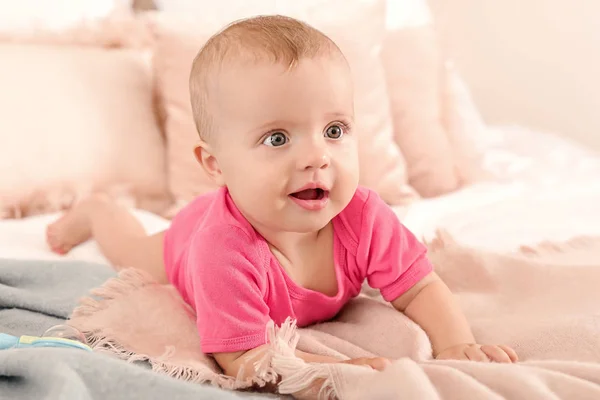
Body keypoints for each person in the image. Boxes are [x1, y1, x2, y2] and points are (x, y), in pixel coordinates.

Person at [46, 15, 517, 381]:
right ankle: (98, 211)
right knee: (132, 252)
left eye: (334, 130)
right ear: (216, 165)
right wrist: (319, 371)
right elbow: (242, 354)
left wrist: (456, 344)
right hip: (188, 236)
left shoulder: (366, 216)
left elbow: (419, 287)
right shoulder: (219, 250)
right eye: (276, 139)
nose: (317, 157)